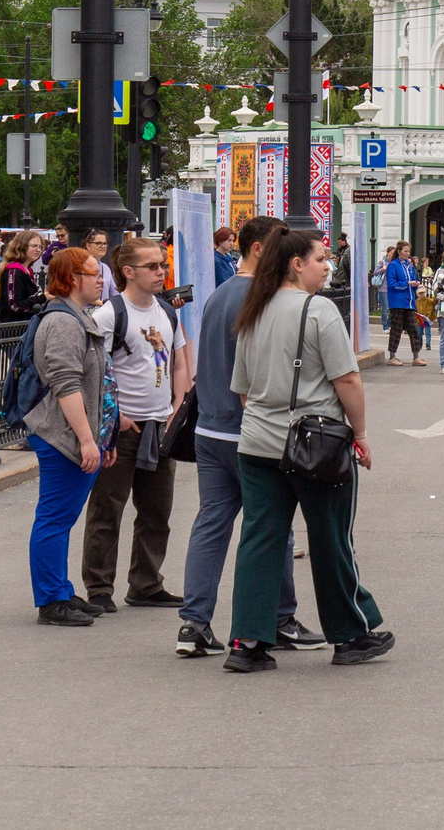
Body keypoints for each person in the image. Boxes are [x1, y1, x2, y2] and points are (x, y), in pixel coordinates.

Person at [225, 228, 391, 672]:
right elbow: (348, 379)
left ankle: (247, 642)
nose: (327, 266)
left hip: (258, 443)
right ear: (296, 264)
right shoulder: (319, 310)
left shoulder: (253, 311)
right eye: (320, 259)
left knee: (259, 540)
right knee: (331, 539)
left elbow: (242, 390)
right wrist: (360, 434)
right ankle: (350, 634)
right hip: (317, 445)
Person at [176, 216, 318, 659]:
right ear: (259, 250)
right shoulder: (264, 298)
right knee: (272, 528)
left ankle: (193, 623)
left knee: (211, 525)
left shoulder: (218, 295)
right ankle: (281, 618)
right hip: (249, 433)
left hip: (207, 429)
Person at [81, 235, 189, 614]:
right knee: (107, 509)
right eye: (153, 266)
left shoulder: (166, 311)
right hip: (123, 428)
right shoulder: (110, 313)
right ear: (128, 272)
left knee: (157, 511)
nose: (161, 272)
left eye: (162, 265)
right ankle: (98, 587)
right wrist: (116, 416)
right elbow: (94, 369)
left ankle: (146, 583)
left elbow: (178, 359)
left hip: (161, 425)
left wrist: (178, 403)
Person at [21, 247, 113, 627]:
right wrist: (88, 440)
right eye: (92, 273)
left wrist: (99, 438)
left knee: (61, 518)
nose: (100, 279)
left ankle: (60, 590)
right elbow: (65, 383)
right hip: (63, 436)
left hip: (73, 434)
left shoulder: (76, 316)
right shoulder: (62, 322)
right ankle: (51, 600)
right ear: (72, 279)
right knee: (55, 519)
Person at [383, 243, 422, 366]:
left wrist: (416, 286)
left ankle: (416, 356)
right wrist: (407, 283)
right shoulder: (393, 265)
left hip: (409, 302)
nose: (408, 254)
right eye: (405, 251)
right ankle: (392, 356)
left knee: (413, 329)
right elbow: (392, 283)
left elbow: (412, 279)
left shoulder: (409, 265)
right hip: (397, 302)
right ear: (399, 251)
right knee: (396, 329)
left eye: (409, 251)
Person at [0, 231, 45, 325]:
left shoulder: (27, 270)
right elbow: (14, 306)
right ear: (21, 246)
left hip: (24, 325)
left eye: (40, 247)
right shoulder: (14, 271)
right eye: (34, 246)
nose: (38, 250)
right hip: (11, 329)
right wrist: (42, 298)